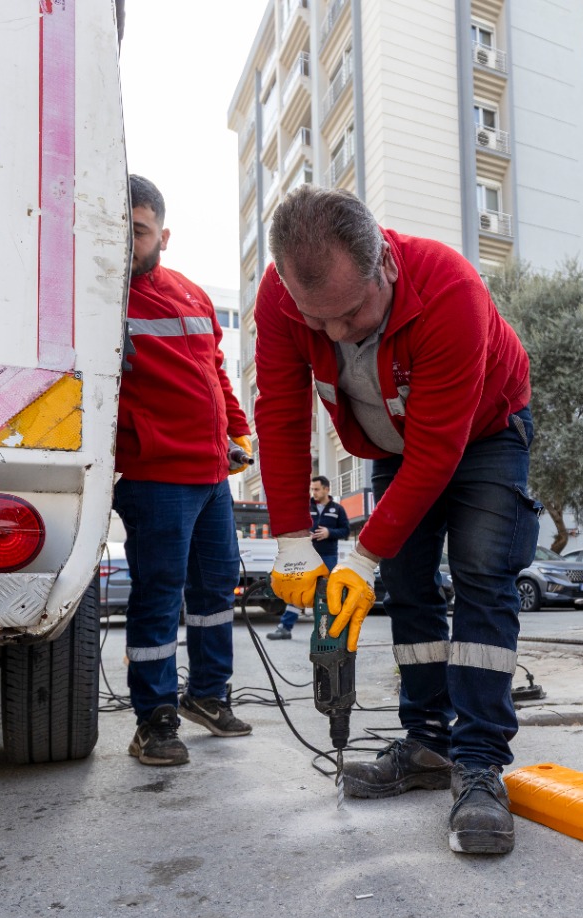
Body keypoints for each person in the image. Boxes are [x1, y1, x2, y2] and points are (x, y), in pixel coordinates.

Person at [253, 186, 537, 855]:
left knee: (480, 574)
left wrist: (360, 554)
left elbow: (440, 449)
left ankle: (479, 762)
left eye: (350, 314)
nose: (334, 334)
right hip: (393, 445)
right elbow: (281, 413)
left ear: (383, 263)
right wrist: (292, 536)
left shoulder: (449, 290)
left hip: (484, 434)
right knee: (407, 588)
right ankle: (430, 743)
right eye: (314, 319)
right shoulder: (281, 297)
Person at [114, 174, 254, 766]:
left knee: (215, 592)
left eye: (139, 232)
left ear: (163, 234)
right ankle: (154, 719)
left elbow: (216, 374)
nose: (128, 244)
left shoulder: (194, 295)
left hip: (211, 478)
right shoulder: (100, 300)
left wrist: (238, 431)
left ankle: (206, 695)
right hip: (154, 478)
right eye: (119, 232)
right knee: (158, 599)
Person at [266, 475, 350, 639]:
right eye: (312, 489)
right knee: (299, 587)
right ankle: (284, 628)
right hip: (306, 554)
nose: (314, 492)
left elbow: (346, 530)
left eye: (317, 489)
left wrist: (329, 532)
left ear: (327, 489)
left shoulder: (337, 509)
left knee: (326, 593)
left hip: (328, 556)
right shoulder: (305, 507)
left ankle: (326, 632)